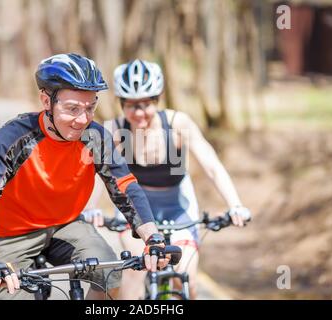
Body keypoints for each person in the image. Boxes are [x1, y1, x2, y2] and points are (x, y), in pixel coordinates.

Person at [0, 53, 170, 300]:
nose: (83, 120)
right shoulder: (12, 137)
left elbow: (125, 186)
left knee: (111, 272)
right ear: (46, 101)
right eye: (72, 109)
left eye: (91, 108)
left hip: (67, 224)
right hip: (13, 234)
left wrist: (153, 237)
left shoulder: (96, 137)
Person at [83, 59, 251, 299]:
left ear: (157, 101)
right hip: (137, 212)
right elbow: (99, 175)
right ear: (121, 104)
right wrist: (90, 210)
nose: (139, 113)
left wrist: (235, 204)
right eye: (131, 105)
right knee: (134, 271)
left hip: (177, 207)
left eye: (145, 104)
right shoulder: (115, 130)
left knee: (185, 278)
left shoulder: (177, 124)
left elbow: (211, 165)